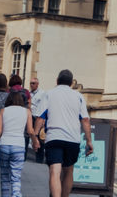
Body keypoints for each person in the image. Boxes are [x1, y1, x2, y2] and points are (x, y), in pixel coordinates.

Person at [36, 69, 93, 197]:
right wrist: (89, 141)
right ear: (71, 83)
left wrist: (34, 136)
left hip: (54, 138)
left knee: (54, 171)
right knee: (68, 171)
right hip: (73, 139)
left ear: (57, 81)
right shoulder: (78, 96)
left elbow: (40, 117)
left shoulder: (49, 94)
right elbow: (85, 119)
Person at [0, 91, 38, 197]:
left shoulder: (3, 111)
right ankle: (16, 194)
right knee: (16, 177)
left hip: (4, 145)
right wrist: (35, 141)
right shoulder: (27, 112)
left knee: (4, 177)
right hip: (18, 145)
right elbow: (30, 131)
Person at [28, 78, 48, 164]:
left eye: (33, 83)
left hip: (38, 118)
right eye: (30, 83)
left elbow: (44, 107)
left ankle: (39, 158)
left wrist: (43, 120)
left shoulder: (42, 94)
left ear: (37, 84)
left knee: (39, 138)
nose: (31, 85)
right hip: (29, 117)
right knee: (27, 135)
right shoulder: (29, 93)